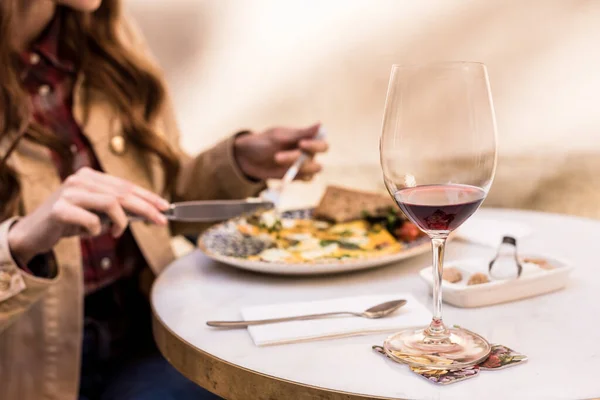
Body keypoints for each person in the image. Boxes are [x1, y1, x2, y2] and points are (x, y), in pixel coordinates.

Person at [0, 1, 328, 399]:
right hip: (30, 375)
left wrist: (238, 164)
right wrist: (19, 242)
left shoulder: (105, 33)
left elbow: (160, 206)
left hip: (155, 331)